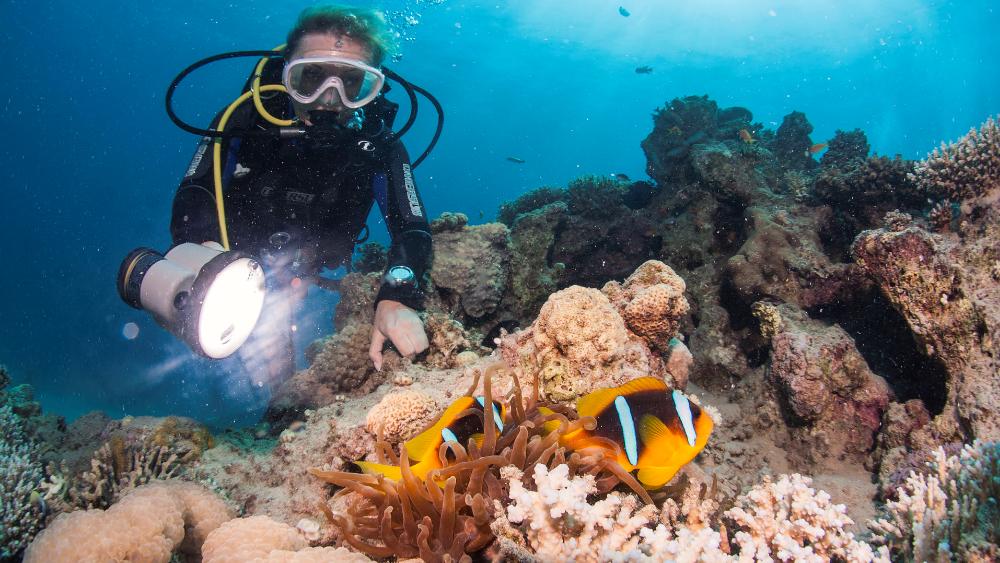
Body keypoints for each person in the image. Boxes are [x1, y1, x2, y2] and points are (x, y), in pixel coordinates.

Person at [169, 5, 431, 391]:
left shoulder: (378, 144)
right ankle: (278, 402)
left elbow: (412, 228)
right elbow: (195, 192)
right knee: (257, 341)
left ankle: (283, 394)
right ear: (285, 73)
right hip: (237, 256)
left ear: (370, 87)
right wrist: (205, 255)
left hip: (316, 252)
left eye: (351, 82)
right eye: (310, 76)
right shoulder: (244, 120)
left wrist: (396, 295)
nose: (329, 98)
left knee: (285, 312)